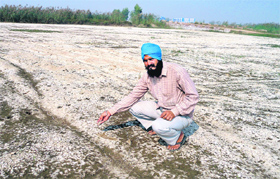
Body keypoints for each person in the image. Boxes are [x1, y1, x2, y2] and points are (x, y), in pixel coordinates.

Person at [98, 43, 199, 151]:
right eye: (145, 61)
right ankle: (159, 126)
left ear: (159, 58)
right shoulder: (148, 75)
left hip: (182, 115)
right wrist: (110, 112)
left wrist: (175, 111)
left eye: (151, 59)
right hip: (163, 111)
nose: (148, 63)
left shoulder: (177, 71)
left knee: (159, 126)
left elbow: (193, 96)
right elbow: (133, 95)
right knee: (134, 106)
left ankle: (177, 136)